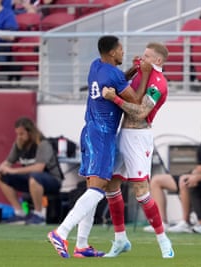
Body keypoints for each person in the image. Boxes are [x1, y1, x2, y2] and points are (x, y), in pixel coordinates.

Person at [47, 35, 151, 259]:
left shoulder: (97, 65)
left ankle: (82, 245)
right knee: (98, 188)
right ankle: (61, 232)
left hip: (89, 131)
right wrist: (146, 75)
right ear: (113, 53)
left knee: (95, 188)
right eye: (121, 49)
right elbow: (134, 100)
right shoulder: (113, 74)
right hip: (102, 136)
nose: (123, 52)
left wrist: (132, 71)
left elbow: (115, 82)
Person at [100, 42, 175, 259]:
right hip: (123, 134)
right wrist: (132, 70)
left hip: (139, 138)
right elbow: (125, 87)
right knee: (111, 185)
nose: (142, 58)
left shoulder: (159, 83)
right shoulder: (141, 73)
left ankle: (163, 240)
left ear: (158, 61)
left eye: (147, 56)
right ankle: (120, 239)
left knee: (141, 192)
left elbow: (141, 112)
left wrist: (114, 98)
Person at [0, 117, 63, 225]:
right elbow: (8, 162)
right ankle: (19, 212)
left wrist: (12, 171)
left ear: (30, 132)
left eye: (21, 134)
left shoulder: (43, 144)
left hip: (52, 180)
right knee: (2, 178)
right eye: (17, 134)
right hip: (31, 180)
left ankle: (39, 215)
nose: (19, 137)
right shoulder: (19, 144)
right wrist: (0, 169)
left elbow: (39, 168)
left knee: (35, 177)